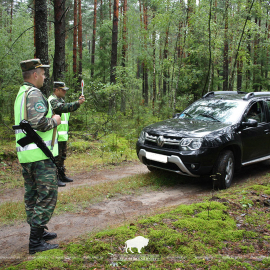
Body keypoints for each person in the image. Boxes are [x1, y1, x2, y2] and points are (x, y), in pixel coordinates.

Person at [14, 59, 61, 254]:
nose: (44, 76)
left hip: (27, 156)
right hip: (39, 155)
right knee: (47, 195)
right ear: (34, 74)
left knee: (32, 195)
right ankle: (35, 243)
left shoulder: (21, 94)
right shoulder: (34, 93)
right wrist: (55, 120)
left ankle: (38, 233)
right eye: (42, 73)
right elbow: (39, 123)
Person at [48, 82, 85, 186]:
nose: (65, 91)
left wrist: (77, 102)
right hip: (55, 135)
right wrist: (78, 102)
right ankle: (55, 178)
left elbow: (66, 108)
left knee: (62, 157)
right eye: (62, 89)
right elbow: (63, 108)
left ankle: (61, 175)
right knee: (56, 158)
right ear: (56, 90)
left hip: (62, 135)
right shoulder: (52, 101)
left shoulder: (60, 100)